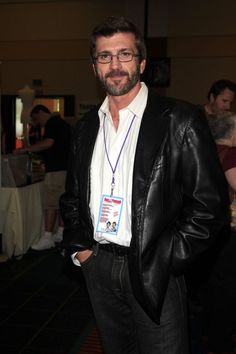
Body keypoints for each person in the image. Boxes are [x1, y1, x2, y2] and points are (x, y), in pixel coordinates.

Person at [60, 16, 229, 354]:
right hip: (98, 265)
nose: (115, 65)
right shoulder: (85, 127)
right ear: (94, 67)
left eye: (124, 54)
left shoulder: (179, 120)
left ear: (142, 61)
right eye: (105, 57)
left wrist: (168, 258)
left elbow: (210, 206)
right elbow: (72, 198)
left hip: (154, 268)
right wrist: (82, 251)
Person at [202, 112, 236, 354]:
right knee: (227, 287)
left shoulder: (204, 150)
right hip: (229, 227)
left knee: (211, 284)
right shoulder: (231, 154)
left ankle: (207, 333)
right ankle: (220, 341)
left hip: (204, 227)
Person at [26, 105, 71, 251]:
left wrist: (27, 149)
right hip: (66, 168)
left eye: (36, 118)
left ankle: (47, 237)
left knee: (50, 203)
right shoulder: (63, 123)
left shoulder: (52, 123)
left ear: (40, 113)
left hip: (56, 170)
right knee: (61, 201)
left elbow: (48, 143)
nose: (37, 122)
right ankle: (60, 232)